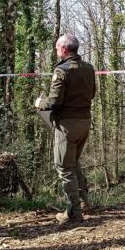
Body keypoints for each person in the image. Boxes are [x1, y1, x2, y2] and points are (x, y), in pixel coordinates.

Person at [34, 34, 96, 224]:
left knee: (64, 167)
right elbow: (92, 94)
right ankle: (85, 202)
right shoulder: (89, 68)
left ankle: (73, 213)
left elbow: (53, 101)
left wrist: (39, 103)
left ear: (63, 49)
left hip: (67, 125)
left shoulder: (61, 70)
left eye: (56, 48)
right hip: (84, 122)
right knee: (73, 162)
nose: (55, 51)